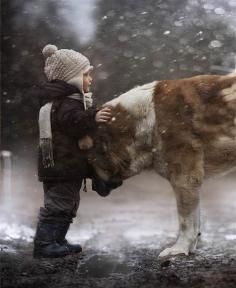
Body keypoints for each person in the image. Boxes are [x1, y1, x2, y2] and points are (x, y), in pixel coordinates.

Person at [33, 44, 122, 258]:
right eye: (86, 75)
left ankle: (57, 240)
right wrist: (93, 117)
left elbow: (76, 121)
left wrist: (93, 115)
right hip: (61, 166)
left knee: (67, 205)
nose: (90, 79)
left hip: (64, 166)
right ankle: (44, 244)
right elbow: (72, 124)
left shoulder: (70, 102)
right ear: (71, 78)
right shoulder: (66, 104)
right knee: (58, 205)